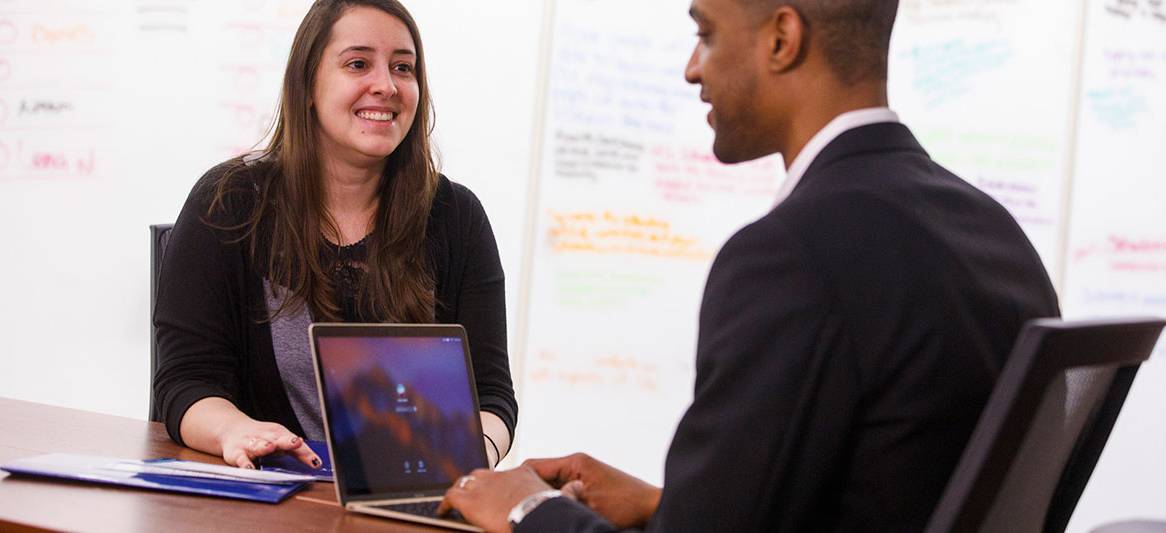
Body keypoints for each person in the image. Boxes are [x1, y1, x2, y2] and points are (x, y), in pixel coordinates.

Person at [439, 0, 1060, 531]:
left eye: (705, 34)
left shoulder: (791, 256)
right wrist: (664, 505)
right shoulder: (993, 233)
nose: (691, 69)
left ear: (782, 40)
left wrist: (531, 510)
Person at [153, 0, 516, 471]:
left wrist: (471, 456)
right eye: (358, 64)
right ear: (308, 84)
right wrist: (236, 431)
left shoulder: (456, 216)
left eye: (403, 68)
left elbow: (491, 396)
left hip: (411, 502)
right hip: (266, 499)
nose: (385, 86)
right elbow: (185, 383)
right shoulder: (228, 202)